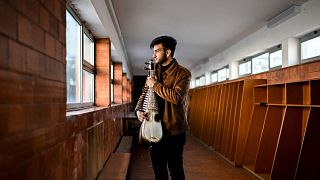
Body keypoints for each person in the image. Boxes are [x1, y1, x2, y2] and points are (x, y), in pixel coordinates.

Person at [135, 36, 191, 180]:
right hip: (153, 127)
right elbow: (145, 93)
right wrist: (139, 110)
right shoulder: (154, 71)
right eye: (153, 51)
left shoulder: (183, 73)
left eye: (157, 51)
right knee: (159, 172)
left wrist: (156, 85)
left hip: (174, 131)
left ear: (168, 52)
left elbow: (177, 98)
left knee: (176, 170)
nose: (153, 55)